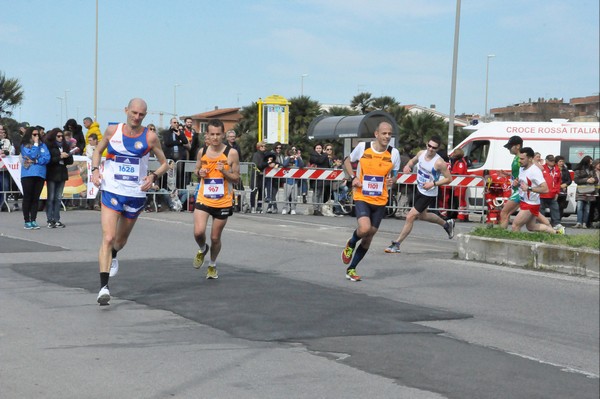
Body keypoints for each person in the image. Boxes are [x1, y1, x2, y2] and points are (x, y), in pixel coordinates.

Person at [91, 98, 169, 305]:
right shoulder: (112, 131)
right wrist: (95, 170)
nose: (136, 117)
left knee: (120, 241)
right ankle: (103, 288)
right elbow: (97, 152)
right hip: (111, 190)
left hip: (135, 194)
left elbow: (165, 164)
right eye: (133, 112)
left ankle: (114, 253)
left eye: (141, 114)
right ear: (126, 110)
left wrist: (153, 176)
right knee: (108, 237)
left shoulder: (150, 137)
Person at [340, 122, 400, 281]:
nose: (387, 136)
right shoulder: (363, 147)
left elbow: (395, 175)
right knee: (364, 228)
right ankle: (351, 243)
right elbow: (346, 160)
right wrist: (353, 177)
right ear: (376, 134)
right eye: (384, 133)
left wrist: (392, 180)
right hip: (362, 196)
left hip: (380, 200)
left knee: (369, 236)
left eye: (389, 134)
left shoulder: (394, 153)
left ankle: (351, 269)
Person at [385, 135, 455, 254]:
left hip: (429, 193)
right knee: (423, 216)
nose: (431, 149)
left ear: (437, 149)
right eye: (429, 146)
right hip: (419, 189)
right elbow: (413, 161)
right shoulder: (421, 153)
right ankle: (446, 224)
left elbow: (449, 179)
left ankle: (397, 244)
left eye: (434, 148)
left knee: (410, 216)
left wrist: (433, 183)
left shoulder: (439, 163)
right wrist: (408, 166)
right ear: (427, 144)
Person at [192, 119, 240, 279]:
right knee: (199, 232)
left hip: (223, 201)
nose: (215, 137)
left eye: (218, 134)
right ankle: (202, 248)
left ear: (223, 135)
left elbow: (237, 178)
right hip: (204, 198)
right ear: (207, 135)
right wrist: (200, 173)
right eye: (212, 134)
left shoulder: (231, 153)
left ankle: (212, 265)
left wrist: (224, 172)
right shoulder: (202, 151)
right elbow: (196, 169)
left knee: (215, 237)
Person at [499, 136, 552, 229]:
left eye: (509, 146)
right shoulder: (518, 159)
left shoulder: (525, 158)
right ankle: (553, 230)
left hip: (521, 192)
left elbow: (539, 169)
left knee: (505, 213)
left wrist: (530, 185)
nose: (508, 149)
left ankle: (502, 234)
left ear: (518, 146)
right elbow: (520, 174)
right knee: (532, 222)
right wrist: (508, 174)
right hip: (520, 190)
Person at [511, 147, 565, 235]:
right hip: (525, 201)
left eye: (522, 159)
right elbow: (523, 183)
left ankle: (516, 246)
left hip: (530, 204)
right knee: (531, 227)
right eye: (519, 158)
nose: (519, 161)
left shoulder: (535, 171)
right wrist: (517, 184)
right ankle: (556, 233)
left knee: (515, 226)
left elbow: (545, 189)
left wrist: (529, 188)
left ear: (530, 159)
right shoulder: (522, 168)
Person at [20, 127, 51, 229]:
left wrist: (36, 161)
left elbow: (47, 157)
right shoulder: (25, 145)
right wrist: (36, 145)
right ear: (29, 135)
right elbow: (31, 154)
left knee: (35, 198)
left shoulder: (43, 145)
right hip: (28, 174)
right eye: (34, 135)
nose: (36, 136)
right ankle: (26, 220)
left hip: (40, 174)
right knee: (28, 197)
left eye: (38, 134)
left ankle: (33, 219)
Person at [44, 128, 73, 228]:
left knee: (58, 197)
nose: (61, 138)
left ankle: (57, 219)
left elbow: (70, 161)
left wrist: (67, 156)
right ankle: (49, 219)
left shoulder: (65, 145)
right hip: (52, 174)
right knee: (51, 197)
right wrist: (59, 156)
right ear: (54, 136)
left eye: (62, 136)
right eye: (58, 136)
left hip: (62, 174)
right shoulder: (49, 145)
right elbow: (48, 160)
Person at [573, 155, 597, 229]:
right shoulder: (578, 170)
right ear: (586, 161)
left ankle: (584, 223)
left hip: (590, 191)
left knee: (587, 208)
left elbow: (596, 179)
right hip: (581, 191)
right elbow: (576, 180)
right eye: (590, 161)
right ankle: (579, 222)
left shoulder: (592, 170)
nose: (591, 162)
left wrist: (594, 180)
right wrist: (586, 180)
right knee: (580, 207)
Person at [539, 154, 562, 228]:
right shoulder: (542, 168)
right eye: (551, 160)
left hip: (553, 193)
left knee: (555, 209)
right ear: (546, 161)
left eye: (553, 160)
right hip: (542, 194)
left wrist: (557, 192)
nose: (552, 162)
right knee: (541, 210)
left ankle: (556, 223)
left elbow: (558, 182)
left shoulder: (557, 169)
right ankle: (542, 224)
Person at [310, 143, 331, 216]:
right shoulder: (313, 155)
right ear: (315, 149)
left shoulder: (324, 156)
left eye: (320, 148)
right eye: (317, 148)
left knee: (321, 194)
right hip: (315, 178)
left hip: (323, 178)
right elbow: (319, 161)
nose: (319, 149)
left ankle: (319, 208)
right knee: (316, 193)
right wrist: (325, 155)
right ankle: (315, 209)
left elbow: (327, 165)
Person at [282, 147, 304, 214]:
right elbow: (284, 165)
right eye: (292, 150)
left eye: (295, 150)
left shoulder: (298, 158)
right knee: (286, 196)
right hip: (287, 179)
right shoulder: (286, 158)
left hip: (295, 180)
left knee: (294, 196)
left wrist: (298, 158)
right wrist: (290, 158)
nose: (294, 151)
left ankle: (293, 209)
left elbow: (302, 165)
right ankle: (285, 208)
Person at [448, 148, 468, 221]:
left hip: (460, 183)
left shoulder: (460, 162)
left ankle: (461, 216)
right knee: (461, 200)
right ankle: (464, 215)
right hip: (460, 183)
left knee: (460, 200)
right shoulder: (461, 161)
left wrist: (451, 173)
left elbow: (460, 172)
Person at [0, 125, 15, 211]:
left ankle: (3, 204)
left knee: (5, 186)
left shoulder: (6, 141)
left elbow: (9, 151)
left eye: (2, 130)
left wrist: (5, 152)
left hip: (4, 168)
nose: (1, 132)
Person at [250, 141, 267, 213]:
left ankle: (259, 206)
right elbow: (257, 165)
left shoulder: (265, 155)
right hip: (256, 175)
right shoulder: (256, 155)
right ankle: (252, 206)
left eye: (264, 146)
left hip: (262, 176)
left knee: (261, 191)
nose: (264, 148)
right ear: (258, 147)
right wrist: (266, 164)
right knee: (254, 191)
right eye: (262, 146)